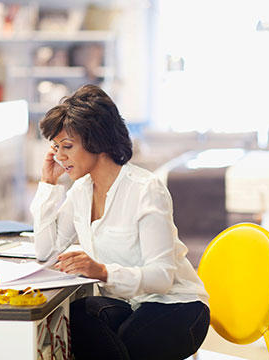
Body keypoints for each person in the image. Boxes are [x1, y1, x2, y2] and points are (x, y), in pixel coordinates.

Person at [30, 84, 210, 360]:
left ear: (97, 141)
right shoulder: (81, 191)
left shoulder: (145, 189)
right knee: (79, 315)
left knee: (117, 346)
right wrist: (48, 184)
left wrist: (102, 271)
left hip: (179, 308)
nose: (59, 156)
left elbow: (162, 277)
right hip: (134, 306)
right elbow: (45, 252)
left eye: (67, 146)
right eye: (55, 148)